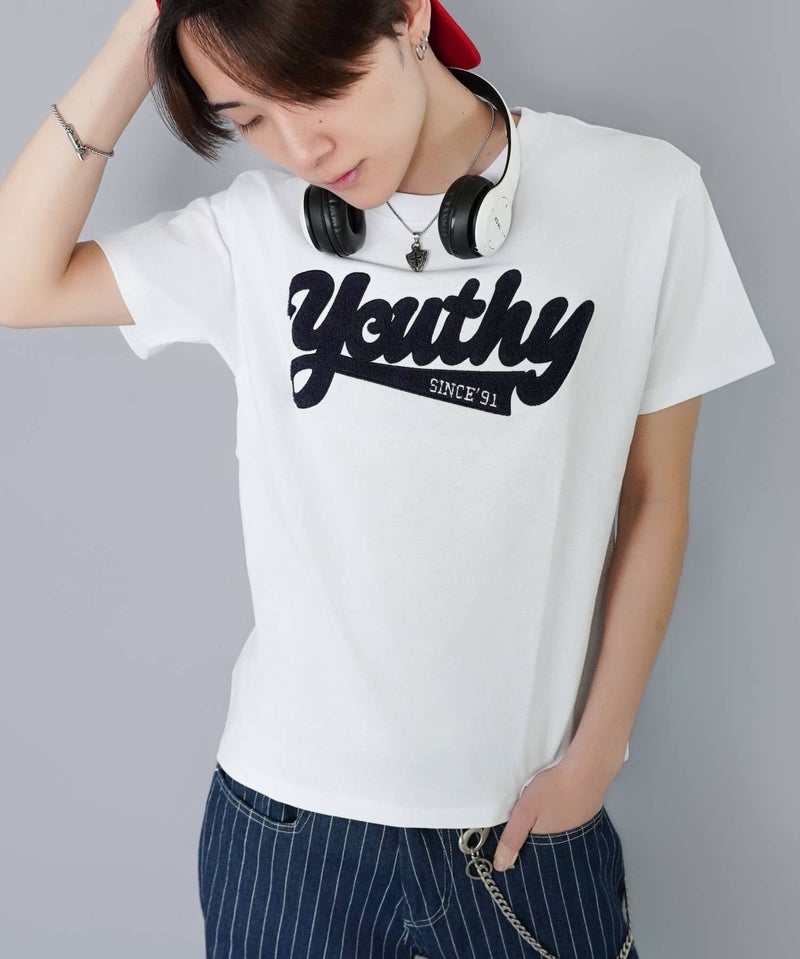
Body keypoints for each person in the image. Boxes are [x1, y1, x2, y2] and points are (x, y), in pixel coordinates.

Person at [0, 1, 776, 957]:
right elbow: (14, 282)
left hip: (523, 831)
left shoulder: (642, 196)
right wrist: (149, 32)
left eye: (316, 92)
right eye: (250, 119)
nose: (301, 149)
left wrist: (596, 758)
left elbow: (654, 498)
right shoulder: (254, 233)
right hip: (285, 833)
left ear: (408, 15)